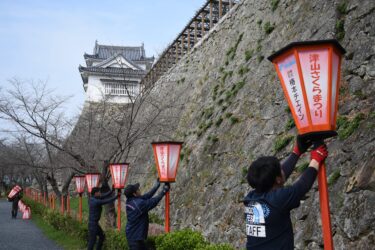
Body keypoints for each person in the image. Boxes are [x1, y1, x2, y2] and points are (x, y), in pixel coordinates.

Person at [244, 136, 328, 250]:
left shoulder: (251, 198)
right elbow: (301, 187)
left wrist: (296, 152)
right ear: (278, 179)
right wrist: (316, 159)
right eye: (280, 169)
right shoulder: (277, 200)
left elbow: (278, 177)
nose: (283, 170)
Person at [124, 180, 170, 250]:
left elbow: (147, 196)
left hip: (134, 236)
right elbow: (153, 201)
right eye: (138, 189)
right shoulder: (138, 204)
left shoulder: (131, 200)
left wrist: (157, 185)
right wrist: (164, 191)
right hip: (135, 239)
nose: (139, 190)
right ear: (134, 193)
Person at [88, 186, 117, 250]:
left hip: (94, 224)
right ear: (96, 193)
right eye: (99, 192)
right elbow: (106, 201)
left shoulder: (93, 198)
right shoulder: (95, 201)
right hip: (93, 225)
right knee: (92, 241)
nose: (100, 193)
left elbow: (103, 195)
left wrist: (111, 191)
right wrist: (116, 197)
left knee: (102, 236)